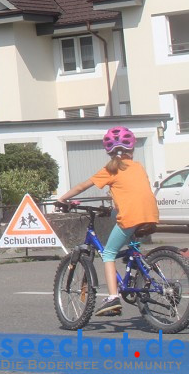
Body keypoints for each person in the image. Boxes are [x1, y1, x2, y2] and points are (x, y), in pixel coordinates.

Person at [56, 126, 159, 317]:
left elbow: (81, 186)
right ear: (132, 148)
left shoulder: (111, 168)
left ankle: (113, 297)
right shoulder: (138, 166)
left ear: (109, 150)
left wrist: (62, 199)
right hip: (151, 213)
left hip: (131, 216)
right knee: (117, 218)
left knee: (109, 254)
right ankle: (135, 257)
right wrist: (113, 210)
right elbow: (134, 193)